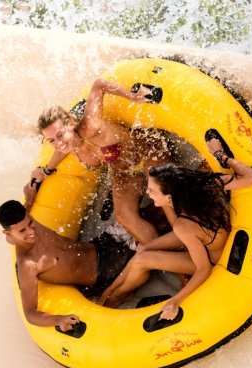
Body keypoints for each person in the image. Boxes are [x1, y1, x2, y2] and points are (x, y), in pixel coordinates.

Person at [97, 138, 252, 320]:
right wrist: (220, 155)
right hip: (202, 236)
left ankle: (113, 299)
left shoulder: (184, 226)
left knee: (141, 260)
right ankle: (109, 292)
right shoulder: (204, 185)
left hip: (211, 257)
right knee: (143, 249)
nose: (148, 195)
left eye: (152, 191)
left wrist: (176, 300)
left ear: (168, 197)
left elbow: (203, 269)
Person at [25, 79, 171, 245]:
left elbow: (99, 85)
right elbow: (60, 151)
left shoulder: (91, 127)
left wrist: (132, 96)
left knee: (163, 192)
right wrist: (46, 171)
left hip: (146, 151)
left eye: (60, 135)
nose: (57, 143)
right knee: (124, 216)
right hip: (124, 172)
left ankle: (185, 238)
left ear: (71, 124)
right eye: (51, 140)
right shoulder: (68, 146)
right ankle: (164, 252)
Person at [0, 199, 135, 331]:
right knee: (145, 238)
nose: (31, 232)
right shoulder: (28, 265)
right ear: (8, 233)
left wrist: (32, 191)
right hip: (104, 270)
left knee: (143, 216)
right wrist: (58, 320)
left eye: (30, 223)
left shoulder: (26, 223)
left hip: (99, 243)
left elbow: (26, 209)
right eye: (22, 231)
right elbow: (30, 314)